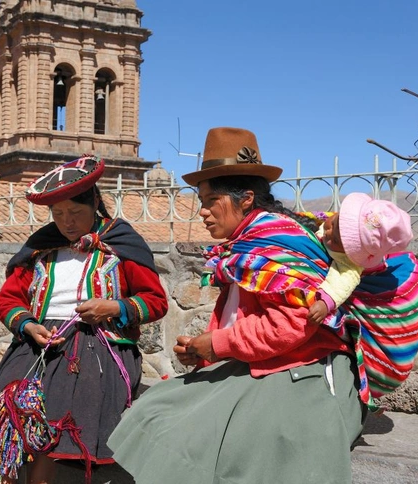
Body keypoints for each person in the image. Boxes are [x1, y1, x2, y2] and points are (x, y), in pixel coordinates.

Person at [107, 127, 367, 484]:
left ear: (245, 198)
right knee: (157, 408)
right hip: (266, 360)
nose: (202, 212)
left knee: (213, 435)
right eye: (201, 201)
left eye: (211, 200)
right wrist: (204, 351)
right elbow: (242, 314)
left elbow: (293, 324)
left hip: (302, 369)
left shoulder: (274, 244)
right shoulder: (248, 242)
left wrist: (215, 345)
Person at [0, 155, 168, 484]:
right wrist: (28, 325)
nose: (67, 222)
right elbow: (9, 299)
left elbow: (155, 301)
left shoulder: (120, 243)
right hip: (37, 344)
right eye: (59, 214)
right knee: (6, 407)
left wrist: (113, 308)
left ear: (94, 202)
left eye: (75, 212)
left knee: (55, 401)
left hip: (101, 348)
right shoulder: (42, 246)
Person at [307, 192, 413, 324]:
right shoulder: (335, 227)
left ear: (350, 250)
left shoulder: (350, 262)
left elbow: (342, 283)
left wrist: (325, 304)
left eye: (335, 240)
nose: (328, 232)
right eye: (333, 223)